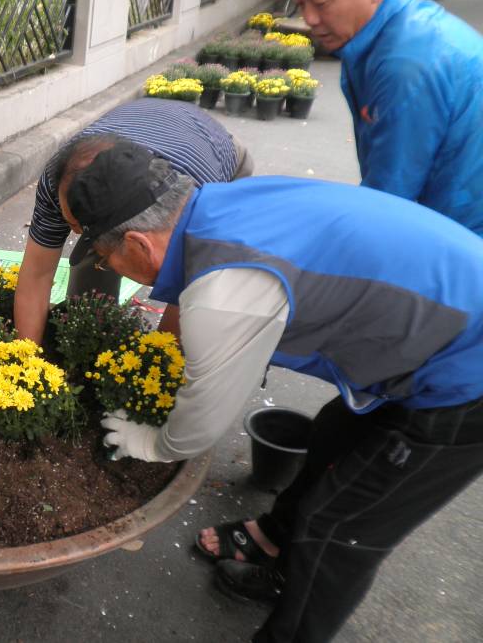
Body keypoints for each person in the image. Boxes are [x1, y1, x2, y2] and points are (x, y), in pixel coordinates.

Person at [66, 141, 483, 643]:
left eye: (108, 259)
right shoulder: (223, 203)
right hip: (442, 321)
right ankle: (277, 550)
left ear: (137, 244)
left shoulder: (223, 289)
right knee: (333, 434)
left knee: (336, 528)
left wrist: (152, 443)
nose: (111, 269)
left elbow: (199, 424)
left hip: (465, 372)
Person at [288, 0, 483, 236]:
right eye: (300, 3)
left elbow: (386, 206)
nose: (309, 17)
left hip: (465, 240)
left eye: (320, 1)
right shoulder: (383, 33)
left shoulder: (406, 65)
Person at [13, 97, 252, 344]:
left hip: (214, 147)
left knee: (193, 278)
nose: (74, 232)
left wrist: (158, 363)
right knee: (98, 257)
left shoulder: (195, 202)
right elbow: (36, 274)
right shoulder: (57, 186)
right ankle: (91, 338)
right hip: (142, 126)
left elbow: (187, 295)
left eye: (77, 224)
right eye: (75, 221)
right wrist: (28, 360)